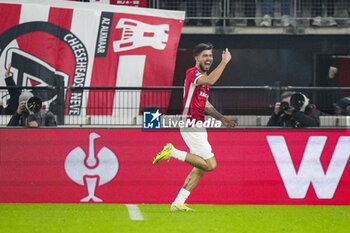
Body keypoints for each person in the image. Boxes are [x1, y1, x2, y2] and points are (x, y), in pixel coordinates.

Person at [152, 43, 236, 211]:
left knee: (200, 167)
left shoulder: (202, 81)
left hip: (197, 124)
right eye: (205, 55)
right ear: (196, 58)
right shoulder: (192, 73)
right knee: (211, 165)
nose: (209, 58)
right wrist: (224, 62)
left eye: (211, 56)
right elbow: (212, 79)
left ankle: (178, 202)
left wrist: (221, 118)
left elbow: (204, 103)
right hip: (191, 123)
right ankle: (172, 151)